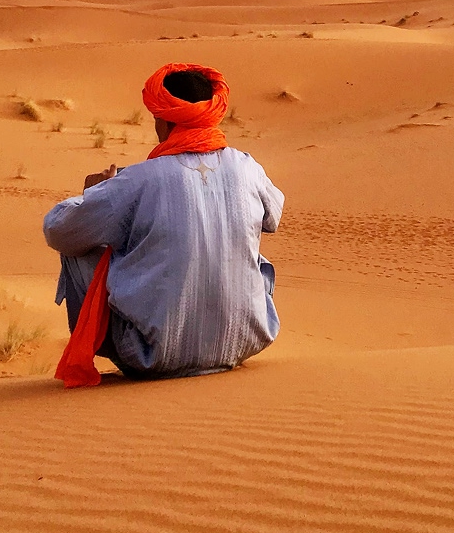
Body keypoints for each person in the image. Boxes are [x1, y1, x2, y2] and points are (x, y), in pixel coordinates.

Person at [43, 62, 283, 384]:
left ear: (162, 118)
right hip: (245, 341)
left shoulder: (137, 181)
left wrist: (90, 195)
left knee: (80, 244)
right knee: (242, 245)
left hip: (150, 355)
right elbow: (273, 218)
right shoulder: (247, 168)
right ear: (213, 114)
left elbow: (59, 231)